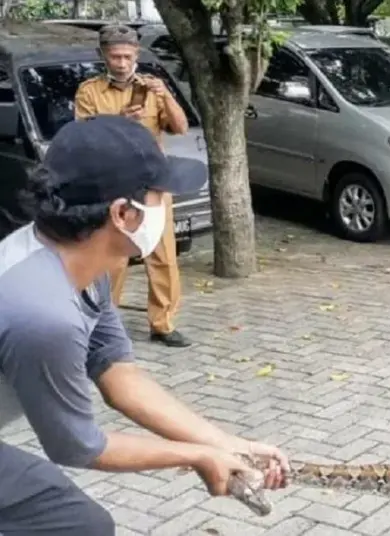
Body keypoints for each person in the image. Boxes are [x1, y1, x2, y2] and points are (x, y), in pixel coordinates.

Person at [0, 115, 289, 534]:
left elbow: (120, 377)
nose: (165, 206)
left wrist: (227, 445)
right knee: (75, 526)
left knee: (78, 524)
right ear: (122, 213)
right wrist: (195, 456)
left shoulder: (76, 259)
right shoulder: (45, 314)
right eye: (158, 195)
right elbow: (78, 446)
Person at [74, 24, 192, 347]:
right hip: (114, 183)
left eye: (127, 56)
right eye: (115, 57)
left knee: (163, 254)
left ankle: (163, 323)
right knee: (114, 256)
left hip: (153, 184)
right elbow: (84, 138)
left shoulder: (152, 88)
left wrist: (164, 94)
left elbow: (180, 127)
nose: (122, 63)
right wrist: (120, 122)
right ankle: (103, 324)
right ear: (103, 56)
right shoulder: (90, 91)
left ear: (137, 54)